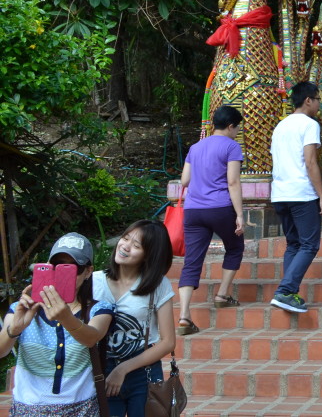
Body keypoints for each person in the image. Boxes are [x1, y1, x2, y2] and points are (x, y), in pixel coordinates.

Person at [2, 233, 113, 416]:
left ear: (88, 271)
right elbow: (1, 350)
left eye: (72, 267)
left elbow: (91, 337)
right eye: (57, 265)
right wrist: (14, 329)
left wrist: (66, 317)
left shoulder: (97, 309)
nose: (62, 272)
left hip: (81, 409)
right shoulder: (23, 308)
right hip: (27, 410)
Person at [175, 105, 245, 337]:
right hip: (220, 207)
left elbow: (185, 180)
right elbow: (233, 183)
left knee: (192, 262)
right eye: (237, 128)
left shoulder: (195, 147)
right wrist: (240, 215)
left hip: (193, 211)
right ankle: (222, 295)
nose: (237, 133)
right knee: (235, 247)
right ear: (231, 126)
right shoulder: (232, 146)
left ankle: (184, 316)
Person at [94, 221, 176, 417]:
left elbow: (168, 342)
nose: (125, 246)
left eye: (136, 246)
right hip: (101, 370)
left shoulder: (158, 285)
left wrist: (123, 369)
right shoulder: (94, 281)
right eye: (125, 238)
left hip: (144, 373)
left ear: (149, 255)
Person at [269, 81, 322, 314]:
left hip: (280, 194)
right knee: (309, 244)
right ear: (308, 101)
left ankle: (288, 292)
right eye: (317, 99)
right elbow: (310, 162)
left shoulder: (280, 126)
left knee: (294, 243)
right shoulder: (308, 124)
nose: (318, 104)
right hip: (301, 194)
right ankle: (285, 290)